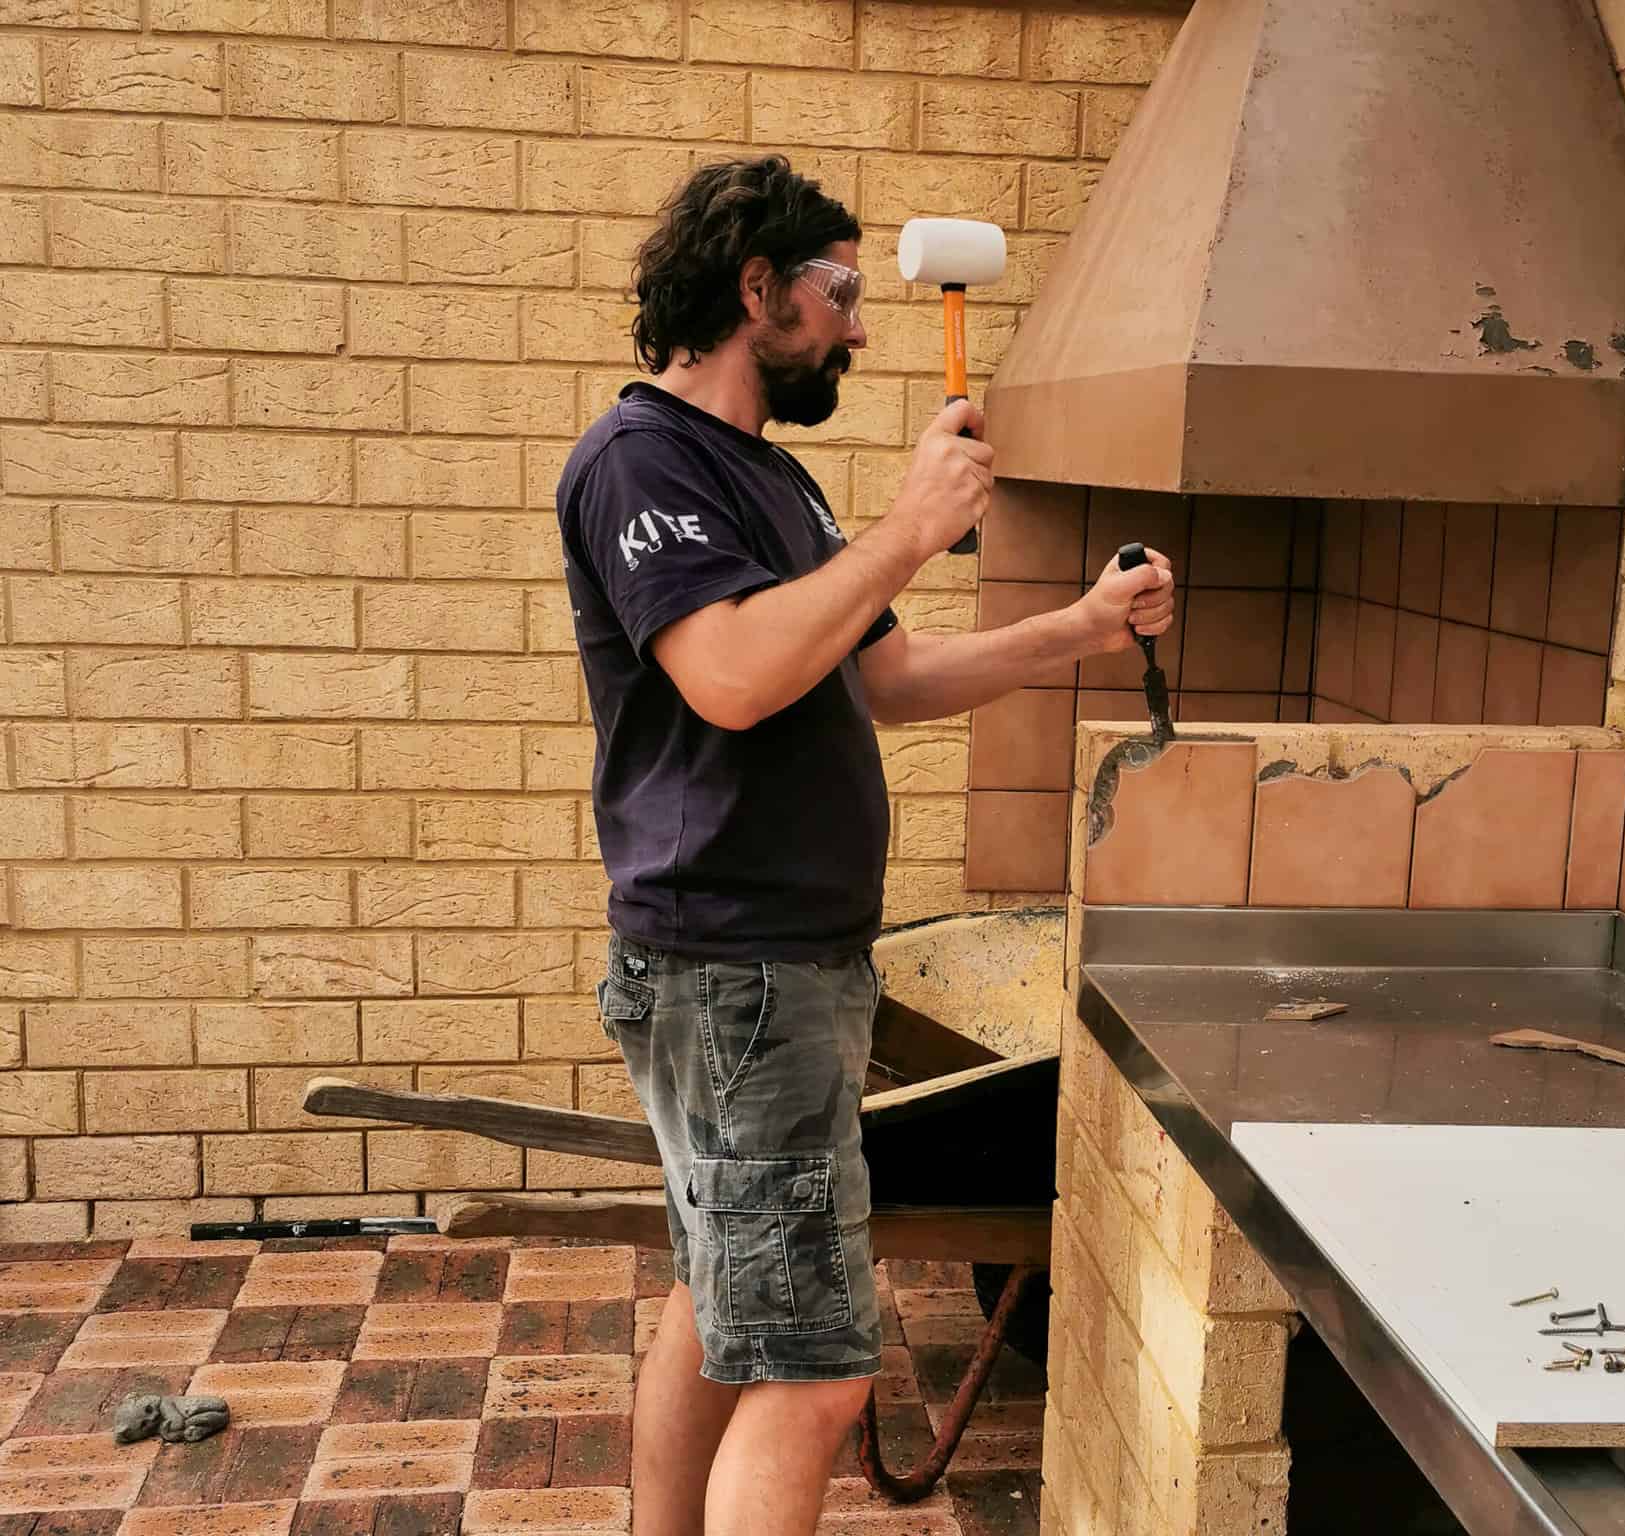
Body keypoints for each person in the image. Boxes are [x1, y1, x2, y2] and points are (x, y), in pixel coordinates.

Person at [553, 155, 1177, 1536]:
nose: (861, 323)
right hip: (739, 974)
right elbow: (727, 676)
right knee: (818, 1374)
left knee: (722, 1314)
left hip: (778, 969)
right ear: (753, 287)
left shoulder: (769, 482)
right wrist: (910, 526)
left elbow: (883, 679)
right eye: (839, 292)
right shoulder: (642, 460)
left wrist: (1079, 625)